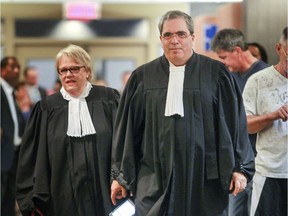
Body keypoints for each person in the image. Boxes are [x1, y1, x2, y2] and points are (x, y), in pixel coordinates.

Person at [110, 10, 255, 216]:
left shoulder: (216, 74)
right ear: (161, 39)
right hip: (153, 176)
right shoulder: (142, 77)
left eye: (181, 34)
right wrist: (120, 176)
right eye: (168, 35)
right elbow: (126, 131)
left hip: (205, 176)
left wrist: (240, 167)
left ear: (193, 37)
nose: (174, 40)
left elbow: (235, 124)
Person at [16, 44, 120, 216]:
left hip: (106, 195)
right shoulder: (46, 108)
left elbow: (124, 143)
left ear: (87, 71)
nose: (68, 74)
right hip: (61, 199)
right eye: (63, 70)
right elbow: (29, 158)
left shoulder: (109, 99)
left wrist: (122, 179)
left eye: (74, 69)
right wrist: (30, 201)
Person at [211, 28, 269, 216]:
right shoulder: (228, 77)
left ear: (237, 51)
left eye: (224, 57)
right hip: (236, 164)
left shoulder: (265, 77)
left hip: (260, 162)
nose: (223, 63)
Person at [243, 26, 288, 216]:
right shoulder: (258, 81)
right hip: (270, 173)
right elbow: (245, 126)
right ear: (279, 49)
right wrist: (273, 115)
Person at [1, 56, 26, 216]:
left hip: (14, 152)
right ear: (2, 70)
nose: (16, 71)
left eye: (18, 67)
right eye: (12, 67)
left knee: (10, 198)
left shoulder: (11, 92)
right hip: (2, 152)